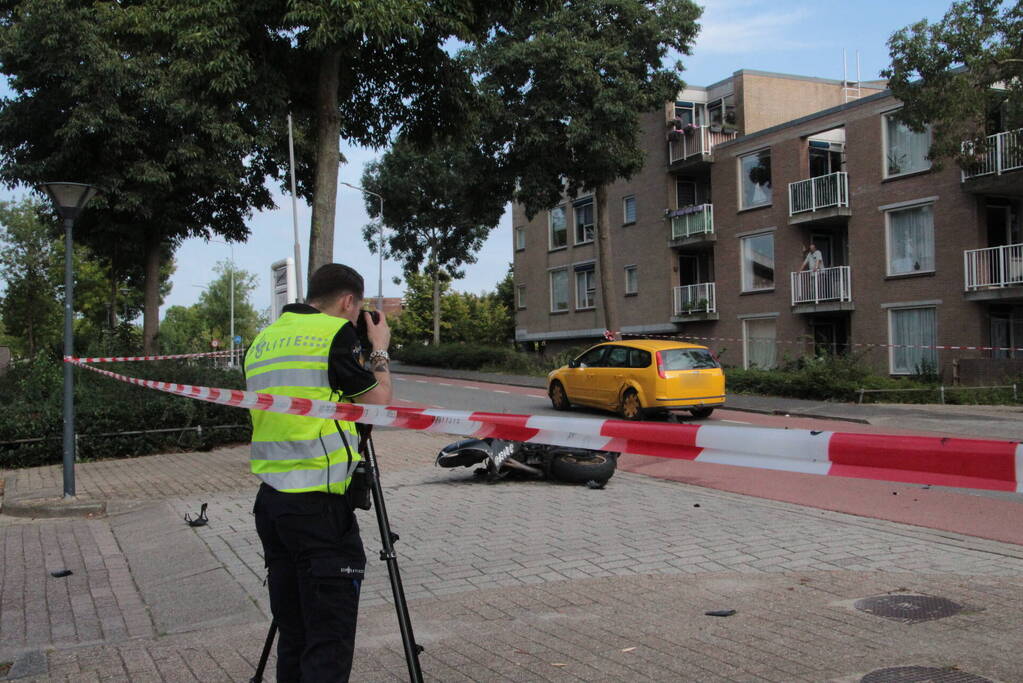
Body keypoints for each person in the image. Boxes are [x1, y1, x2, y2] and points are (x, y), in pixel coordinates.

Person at [244, 263, 391, 682]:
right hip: (320, 507)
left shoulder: (264, 339)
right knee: (328, 639)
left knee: (296, 633)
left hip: (272, 503)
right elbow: (377, 402)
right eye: (356, 310)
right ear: (348, 301)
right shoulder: (333, 333)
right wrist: (378, 347)